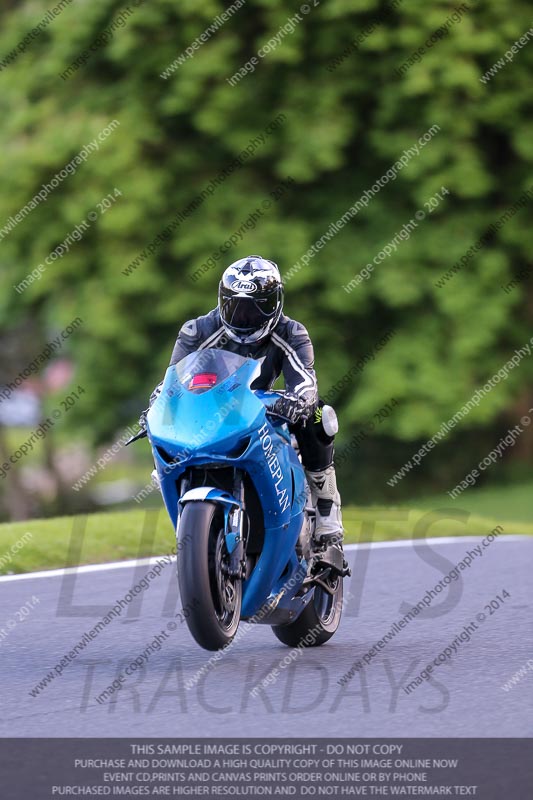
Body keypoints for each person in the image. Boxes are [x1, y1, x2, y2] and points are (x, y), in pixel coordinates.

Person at [143, 255, 345, 559]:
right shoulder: (196, 331)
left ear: (275, 303)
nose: (244, 317)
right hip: (213, 414)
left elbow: (305, 381)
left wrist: (299, 400)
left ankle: (325, 500)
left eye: (254, 308)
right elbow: (170, 384)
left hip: (263, 410)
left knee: (320, 413)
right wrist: (157, 408)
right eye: (235, 307)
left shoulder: (292, 333)